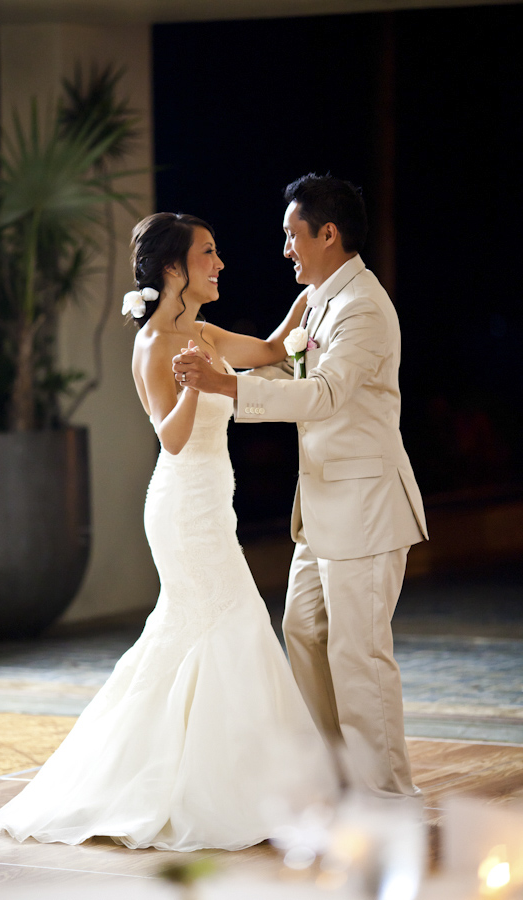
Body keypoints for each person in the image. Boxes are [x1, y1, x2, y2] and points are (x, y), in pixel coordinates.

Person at [0, 212, 337, 851]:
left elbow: (267, 350)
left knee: (204, 632)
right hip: (181, 510)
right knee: (236, 624)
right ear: (175, 268)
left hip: (211, 504)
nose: (219, 263)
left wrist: (309, 301)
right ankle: (240, 791)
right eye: (208, 252)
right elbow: (172, 440)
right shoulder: (153, 345)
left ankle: (236, 781)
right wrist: (195, 385)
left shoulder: (201, 331)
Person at [173, 175, 429, 799]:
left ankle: (387, 798)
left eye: (293, 236)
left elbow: (325, 394)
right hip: (321, 511)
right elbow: (286, 358)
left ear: (328, 233)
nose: (285, 248)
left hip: (366, 510)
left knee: (359, 657)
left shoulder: (363, 307)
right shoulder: (320, 300)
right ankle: (343, 777)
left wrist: (227, 387)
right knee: (304, 630)